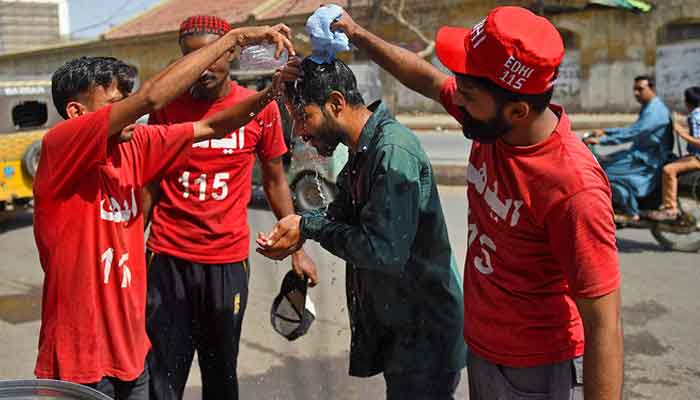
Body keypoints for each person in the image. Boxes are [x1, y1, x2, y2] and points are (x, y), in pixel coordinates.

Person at [330, 6, 623, 400]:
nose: (455, 100)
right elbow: (427, 79)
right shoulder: (493, 118)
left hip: (534, 370)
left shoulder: (573, 189)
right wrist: (357, 34)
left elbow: (604, 323)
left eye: (466, 94)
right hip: (483, 349)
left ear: (518, 110)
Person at [32, 25, 295, 400]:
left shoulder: (134, 143)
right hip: (79, 360)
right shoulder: (60, 148)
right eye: (116, 104)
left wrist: (271, 92)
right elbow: (151, 99)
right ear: (78, 113)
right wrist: (234, 39)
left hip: (130, 355)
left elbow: (211, 125)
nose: (128, 110)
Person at [257, 57, 467, 400]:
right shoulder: (363, 151)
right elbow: (339, 215)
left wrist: (307, 225)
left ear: (336, 103)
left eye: (304, 118)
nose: (303, 134)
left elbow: (382, 251)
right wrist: (297, 231)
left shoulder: (392, 152)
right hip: (401, 329)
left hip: (424, 335)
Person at [142, 15, 317, 400]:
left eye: (212, 55)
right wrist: (130, 247)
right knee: (161, 377)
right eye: (192, 57)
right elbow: (150, 182)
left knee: (221, 373)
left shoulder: (259, 108)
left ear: (232, 52)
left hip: (226, 263)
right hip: (168, 258)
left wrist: (298, 248)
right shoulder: (166, 108)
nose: (203, 66)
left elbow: (274, 180)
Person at [584, 75, 674, 224]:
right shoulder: (649, 106)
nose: (636, 93)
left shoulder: (655, 111)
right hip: (639, 153)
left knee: (604, 173)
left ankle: (631, 212)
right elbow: (633, 129)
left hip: (648, 160)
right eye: (635, 89)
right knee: (605, 162)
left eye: (640, 89)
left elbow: (634, 133)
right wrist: (606, 131)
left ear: (652, 88)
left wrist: (602, 140)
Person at [647, 86, 700, 221]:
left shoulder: (695, 117)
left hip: (698, 158)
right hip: (695, 155)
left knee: (668, 170)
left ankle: (670, 209)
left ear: (687, 102)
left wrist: (681, 133)